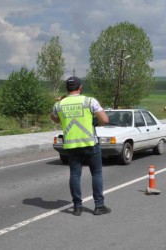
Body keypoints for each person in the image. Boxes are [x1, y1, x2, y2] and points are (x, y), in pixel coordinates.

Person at [50, 76, 111, 216]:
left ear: (66, 89)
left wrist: (61, 105)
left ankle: (77, 207)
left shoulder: (59, 104)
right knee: (96, 173)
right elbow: (105, 119)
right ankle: (99, 206)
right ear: (80, 88)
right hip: (90, 144)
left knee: (75, 175)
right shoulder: (89, 101)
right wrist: (95, 122)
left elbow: (54, 118)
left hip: (71, 145)